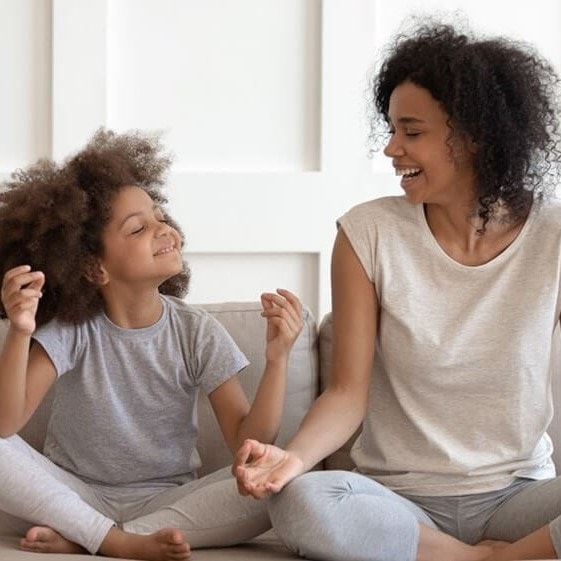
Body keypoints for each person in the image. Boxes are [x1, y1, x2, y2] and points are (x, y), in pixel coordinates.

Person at [234, 17, 561, 561]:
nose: (391, 149)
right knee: (301, 499)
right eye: (391, 130)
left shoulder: (553, 237)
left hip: (519, 495)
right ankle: (489, 557)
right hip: (398, 499)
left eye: (411, 132)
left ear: (477, 136)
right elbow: (346, 394)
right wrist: (290, 460)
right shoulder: (368, 233)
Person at [0, 127, 304, 561]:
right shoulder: (74, 329)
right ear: (94, 268)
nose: (164, 229)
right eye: (139, 227)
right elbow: (5, 423)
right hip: (74, 494)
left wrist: (277, 359)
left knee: (277, 478)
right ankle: (113, 539)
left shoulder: (195, 331)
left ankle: (92, 538)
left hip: (168, 502)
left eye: (160, 216)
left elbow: (248, 442)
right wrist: (20, 330)